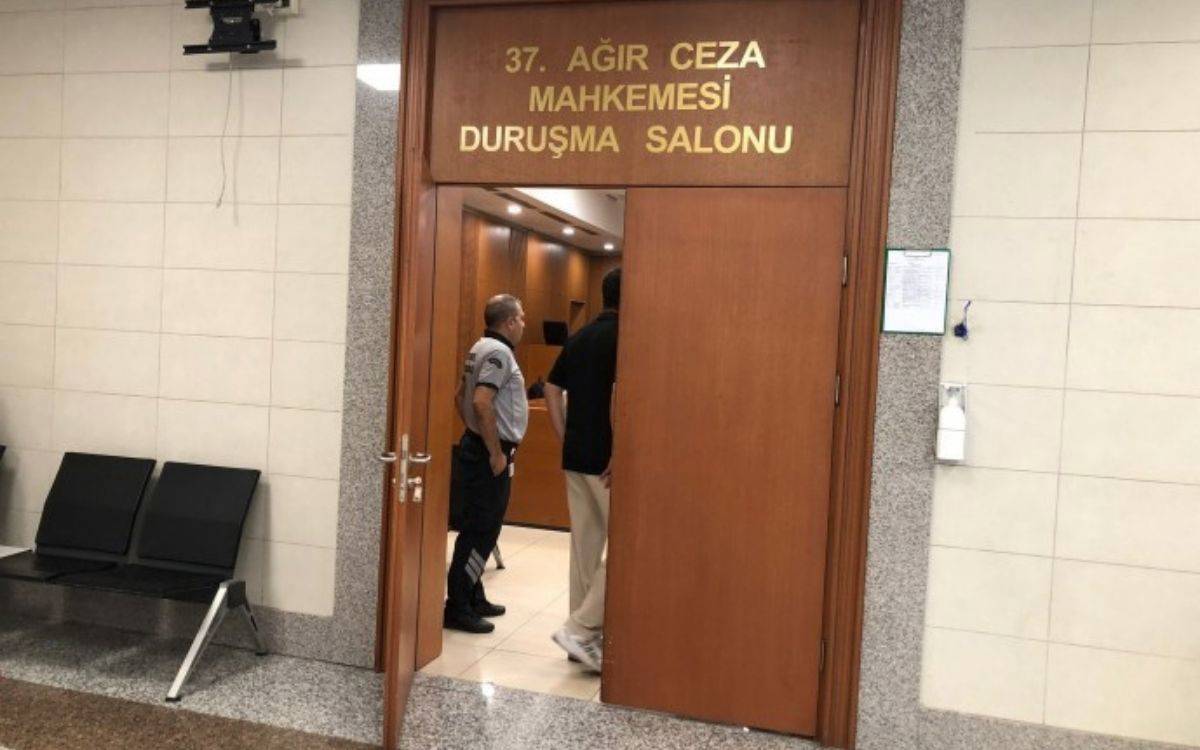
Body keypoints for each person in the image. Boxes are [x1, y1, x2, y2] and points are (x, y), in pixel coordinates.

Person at [544, 267, 620, 672]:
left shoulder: (580, 336)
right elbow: (619, 393)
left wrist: (563, 434)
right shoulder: (626, 336)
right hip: (607, 463)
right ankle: (580, 627)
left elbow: (551, 386)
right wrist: (620, 449)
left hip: (575, 455)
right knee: (625, 547)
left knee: (584, 550)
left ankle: (581, 642)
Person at [444, 294, 529, 634]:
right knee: (482, 530)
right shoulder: (499, 353)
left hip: (477, 446)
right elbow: (481, 402)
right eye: (521, 318)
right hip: (488, 454)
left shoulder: (479, 347)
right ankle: (458, 606)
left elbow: (459, 396)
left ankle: (473, 595)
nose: (523, 324)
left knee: (480, 527)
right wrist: (493, 450)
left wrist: (473, 432)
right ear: (509, 321)